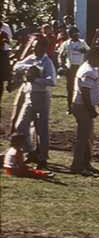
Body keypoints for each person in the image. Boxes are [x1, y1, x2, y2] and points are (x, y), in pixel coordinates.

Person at [12, 38, 56, 170]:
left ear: (43, 48)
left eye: (37, 47)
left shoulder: (47, 62)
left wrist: (36, 79)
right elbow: (17, 66)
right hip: (29, 96)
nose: (34, 49)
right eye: (34, 46)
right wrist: (29, 68)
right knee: (20, 125)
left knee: (41, 128)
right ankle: (30, 150)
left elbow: (52, 81)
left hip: (42, 96)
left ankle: (42, 158)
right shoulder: (31, 58)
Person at [70, 48, 99, 175]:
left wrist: (98, 102)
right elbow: (85, 92)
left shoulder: (90, 68)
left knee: (88, 136)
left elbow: (92, 89)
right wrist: (91, 109)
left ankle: (85, 163)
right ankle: (77, 165)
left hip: (84, 106)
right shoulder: (88, 71)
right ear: (93, 58)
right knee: (83, 137)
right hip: (82, 106)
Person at [57, 27, 90, 114]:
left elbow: (89, 52)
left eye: (76, 33)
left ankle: (83, 107)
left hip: (81, 67)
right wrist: (61, 64)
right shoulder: (66, 44)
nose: (75, 35)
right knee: (70, 88)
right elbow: (60, 55)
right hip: (70, 67)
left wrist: (85, 51)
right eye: (72, 34)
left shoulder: (82, 42)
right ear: (70, 35)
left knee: (82, 88)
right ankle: (70, 107)